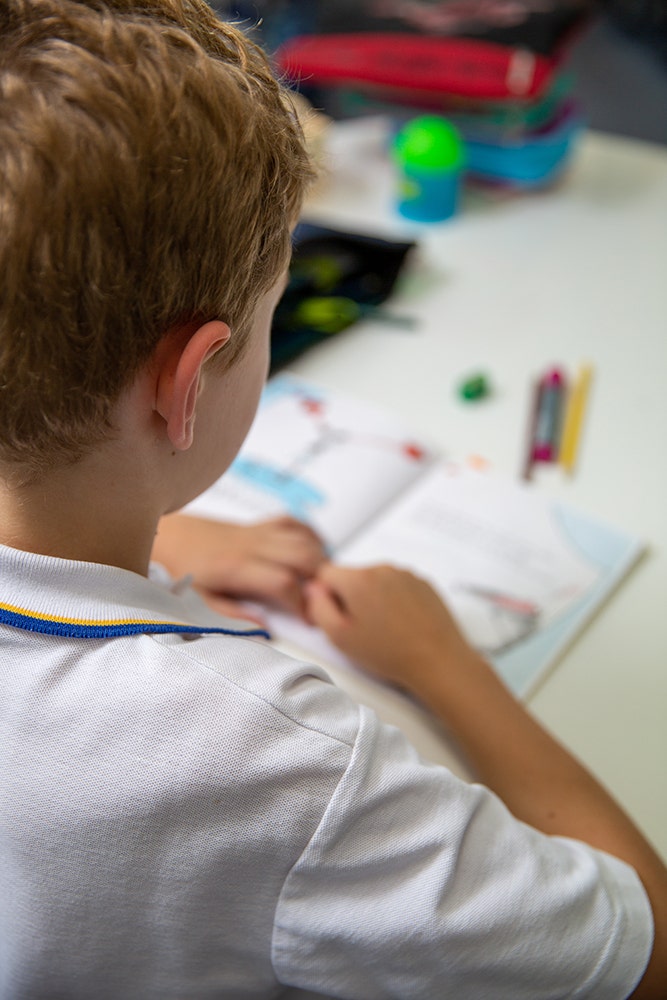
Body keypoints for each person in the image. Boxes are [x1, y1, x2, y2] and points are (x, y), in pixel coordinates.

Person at [0, 1, 664, 998]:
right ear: (190, 386)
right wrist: (444, 666)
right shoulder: (274, 762)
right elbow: (641, 949)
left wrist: (166, 534)